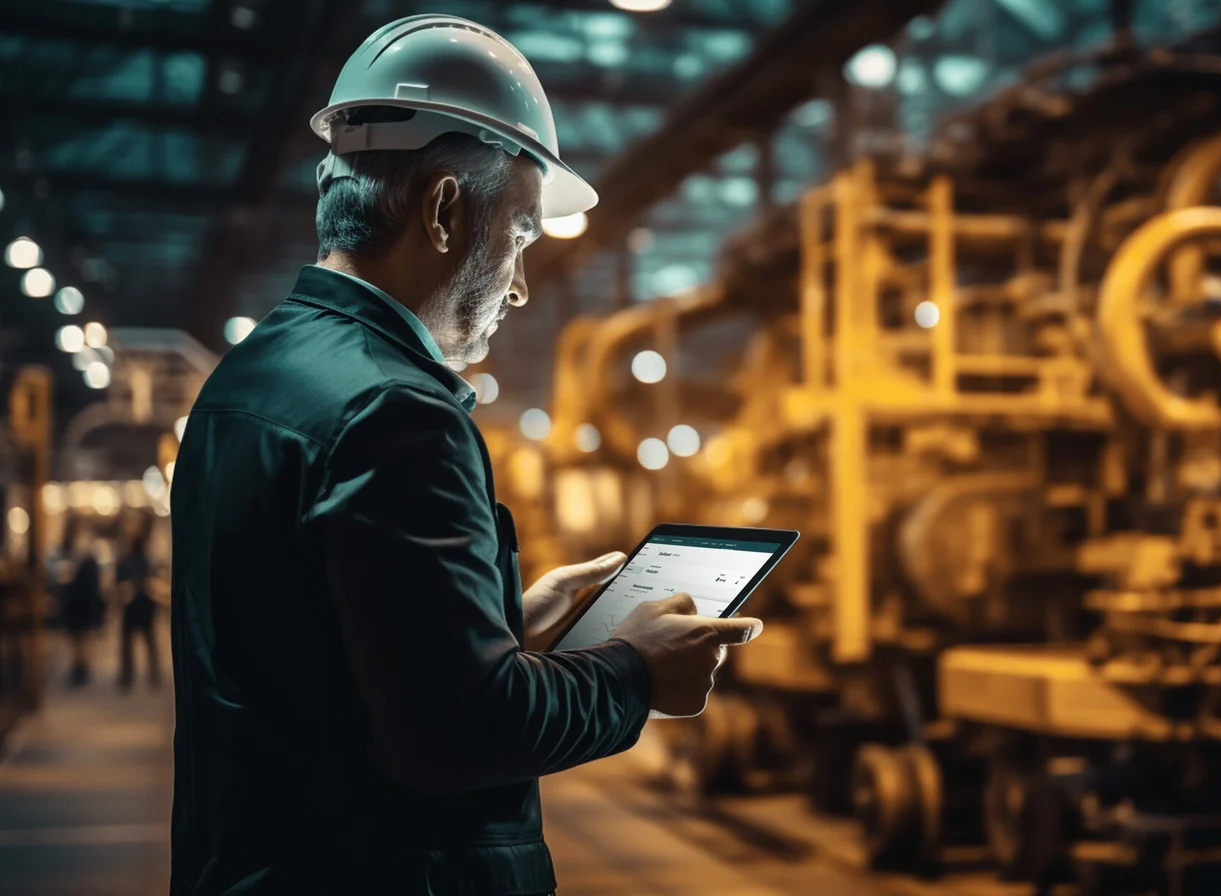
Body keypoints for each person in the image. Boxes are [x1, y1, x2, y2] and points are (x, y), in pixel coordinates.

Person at [168, 15, 762, 896]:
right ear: (445, 210)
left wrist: (501, 627)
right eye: (520, 234)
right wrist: (636, 673)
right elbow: (455, 736)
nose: (520, 283)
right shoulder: (394, 410)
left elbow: (323, 669)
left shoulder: (247, 381)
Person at [55, 517, 104, 687]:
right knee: (78, 641)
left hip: (81, 605)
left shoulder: (86, 561)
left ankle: (81, 670)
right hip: (76, 606)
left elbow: (93, 587)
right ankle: (79, 669)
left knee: (82, 641)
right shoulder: (73, 557)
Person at [115, 514, 161, 691]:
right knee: (147, 641)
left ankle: (129, 677)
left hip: (136, 604)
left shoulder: (129, 559)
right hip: (143, 603)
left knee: (132, 642)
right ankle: (150, 676)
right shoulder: (145, 558)